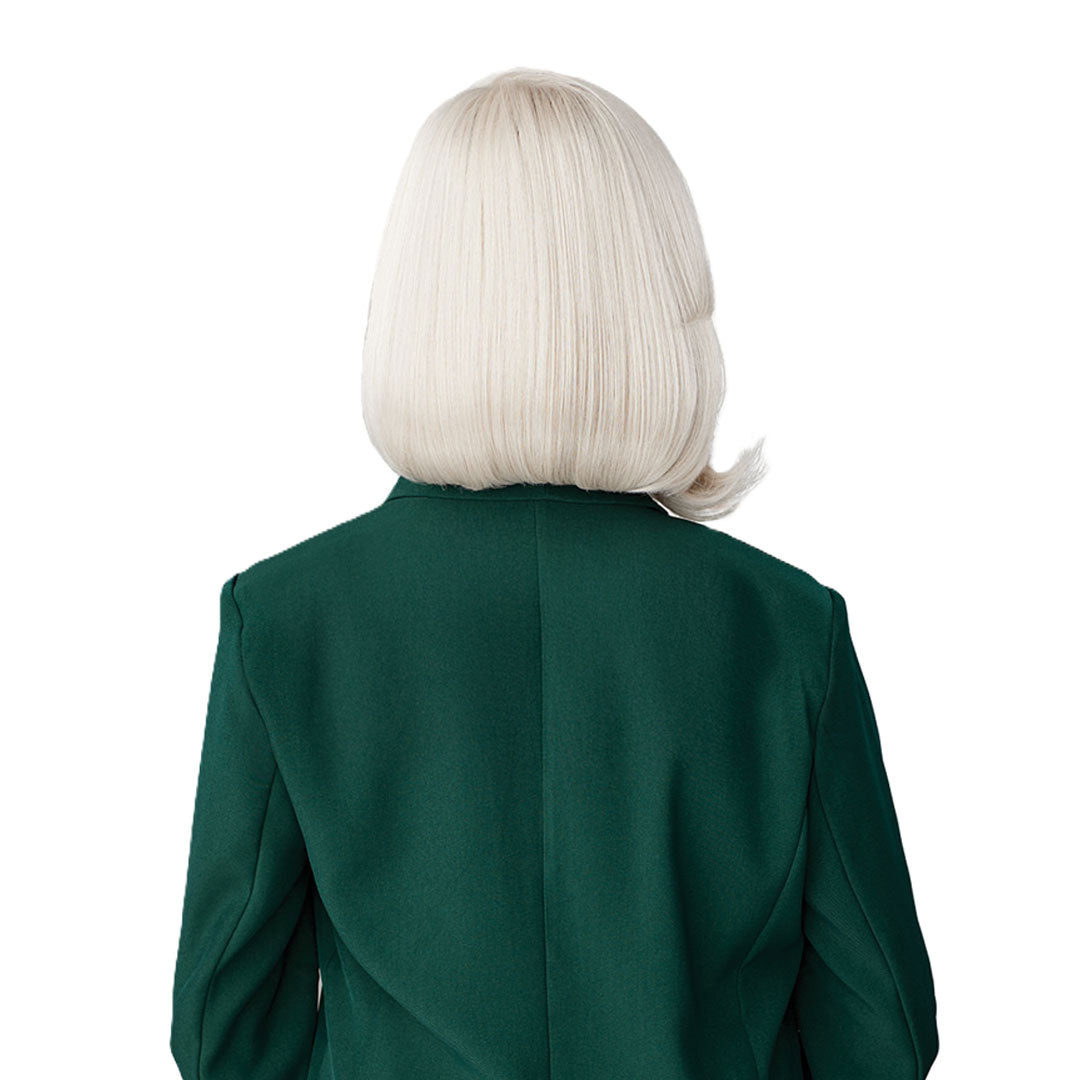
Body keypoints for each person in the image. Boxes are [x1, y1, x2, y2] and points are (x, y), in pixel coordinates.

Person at [170, 67, 939, 1079]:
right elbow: (879, 1033)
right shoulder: (785, 628)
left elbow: (225, 1032)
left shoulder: (284, 620)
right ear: (657, 301)